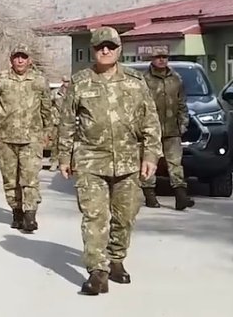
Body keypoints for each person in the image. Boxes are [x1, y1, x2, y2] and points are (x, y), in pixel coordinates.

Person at [56, 27, 161, 296]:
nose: (105, 51)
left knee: (125, 216)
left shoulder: (136, 82)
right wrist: (64, 156)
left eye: (111, 47)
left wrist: (150, 155)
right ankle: (97, 271)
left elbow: (150, 121)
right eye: (100, 47)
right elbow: (67, 122)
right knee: (95, 216)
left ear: (119, 49)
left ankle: (116, 259)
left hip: (128, 162)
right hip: (91, 160)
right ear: (93, 50)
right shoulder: (80, 82)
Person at [0, 43, 52, 232]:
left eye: (23, 57)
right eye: (16, 57)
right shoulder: (0, 80)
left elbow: (47, 108)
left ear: (29, 60)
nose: (20, 60)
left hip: (32, 138)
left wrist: (48, 132)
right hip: (6, 138)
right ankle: (17, 212)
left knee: (30, 178)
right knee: (10, 179)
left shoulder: (39, 81)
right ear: (11, 59)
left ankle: (30, 215)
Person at [140, 52, 195, 211]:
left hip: (172, 130)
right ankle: (150, 196)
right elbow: (139, 105)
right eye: (158, 57)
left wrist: (183, 124)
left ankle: (180, 197)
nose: (162, 60)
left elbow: (182, 103)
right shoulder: (145, 80)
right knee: (150, 163)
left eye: (165, 56)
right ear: (152, 59)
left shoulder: (176, 78)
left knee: (175, 164)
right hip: (150, 130)